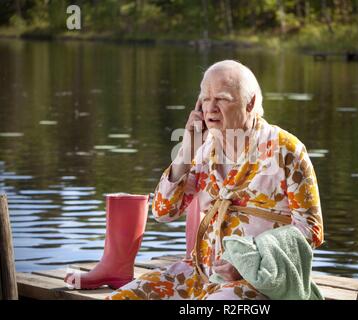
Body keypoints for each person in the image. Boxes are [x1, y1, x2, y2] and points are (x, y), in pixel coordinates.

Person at [106, 60, 324, 300]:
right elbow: (162, 212)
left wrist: (249, 262)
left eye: (222, 99)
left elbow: (311, 230)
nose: (210, 108)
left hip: (258, 282)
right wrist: (186, 150)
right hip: (199, 274)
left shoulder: (286, 150)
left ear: (250, 103)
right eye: (205, 99)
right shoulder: (203, 149)